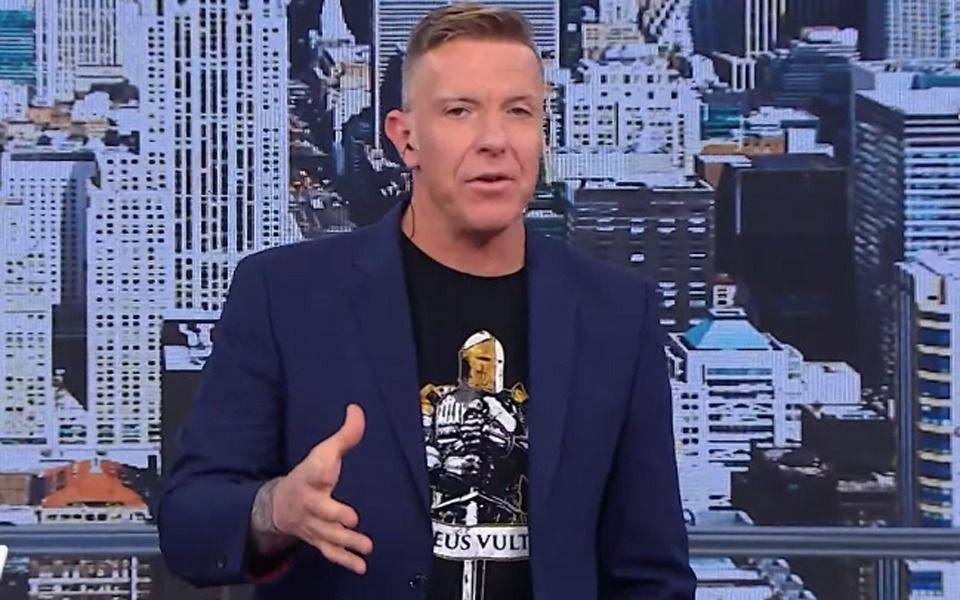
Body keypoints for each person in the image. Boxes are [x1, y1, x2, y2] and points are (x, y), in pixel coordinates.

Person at [158, 4, 696, 599]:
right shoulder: (285, 297)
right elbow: (187, 524)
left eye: (518, 111)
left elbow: (652, 574)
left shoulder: (617, 316)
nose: (494, 141)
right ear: (404, 138)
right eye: (460, 111)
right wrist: (277, 509)